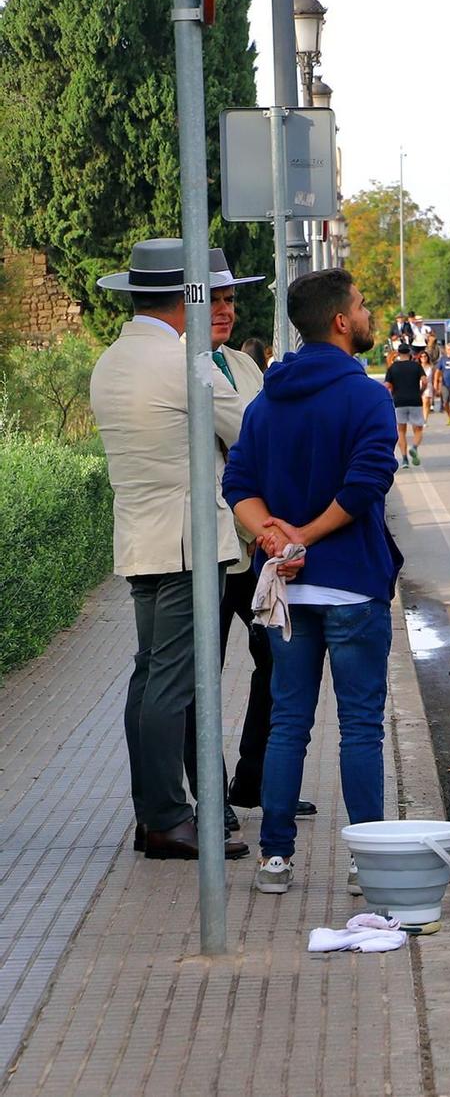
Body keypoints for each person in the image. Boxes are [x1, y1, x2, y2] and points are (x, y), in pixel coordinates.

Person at [223, 268, 401, 896]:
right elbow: (363, 486)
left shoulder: (266, 400)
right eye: (362, 304)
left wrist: (273, 537)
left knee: (288, 723)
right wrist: (304, 534)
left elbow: (237, 485)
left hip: (287, 595)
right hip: (352, 585)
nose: (368, 311)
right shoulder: (368, 397)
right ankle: (368, 860)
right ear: (341, 322)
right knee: (359, 726)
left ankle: (275, 859)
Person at [88, 239, 249, 861]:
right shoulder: (189, 359)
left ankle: (153, 813)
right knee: (171, 685)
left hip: (139, 536)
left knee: (148, 675)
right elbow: (247, 428)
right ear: (191, 296)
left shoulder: (113, 359)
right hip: (188, 542)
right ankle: (167, 819)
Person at [192, 250, 318, 823]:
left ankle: (257, 779)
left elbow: (263, 427)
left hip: (249, 543)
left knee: (277, 650)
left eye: (229, 299)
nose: (223, 309)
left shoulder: (240, 365)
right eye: (212, 298)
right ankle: (209, 798)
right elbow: (252, 429)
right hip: (205, 544)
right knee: (201, 674)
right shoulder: (189, 364)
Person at [383, 343, 427, 466]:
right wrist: (421, 391)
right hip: (415, 400)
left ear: (398, 353)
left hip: (399, 401)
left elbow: (387, 385)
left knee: (401, 431)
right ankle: (414, 448)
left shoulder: (393, 368)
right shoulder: (416, 366)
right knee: (418, 429)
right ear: (410, 353)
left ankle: (404, 460)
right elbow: (424, 381)